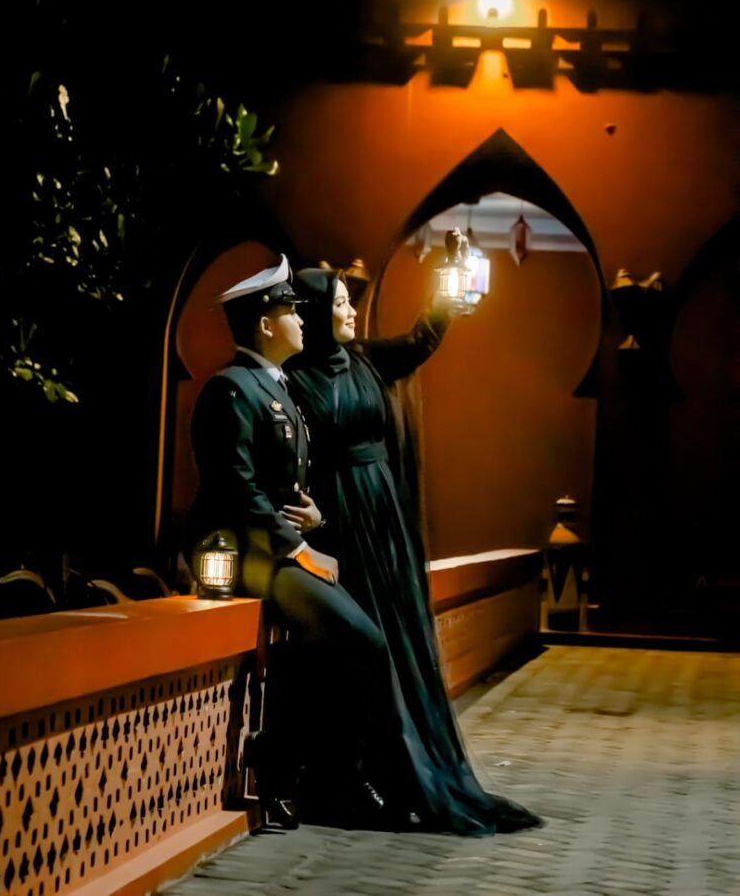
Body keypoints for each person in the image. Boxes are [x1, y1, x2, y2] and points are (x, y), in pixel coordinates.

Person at [285, 267, 543, 835]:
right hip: (335, 523)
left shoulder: (367, 360)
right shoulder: (290, 378)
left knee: (398, 637)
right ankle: (354, 775)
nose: (352, 312)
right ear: (314, 313)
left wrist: (447, 296)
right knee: (357, 645)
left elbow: (420, 339)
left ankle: (406, 774)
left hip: (382, 515)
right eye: (341, 304)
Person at [183, 254, 412, 832]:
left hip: (274, 549)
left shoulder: (275, 386)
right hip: (243, 554)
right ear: (265, 324)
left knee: (330, 644)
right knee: (361, 639)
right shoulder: (232, 389)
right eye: (290, 311)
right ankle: (297, 764)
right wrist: (299, 548)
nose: (302, 319)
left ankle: (302, 768)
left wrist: (313, 516)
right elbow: (236, 489)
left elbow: (283, 483)